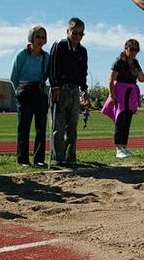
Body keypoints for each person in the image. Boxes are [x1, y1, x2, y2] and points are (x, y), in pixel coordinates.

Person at [48, 17, 90, 166]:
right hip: (60, 89)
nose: (77, 37)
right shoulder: (59, 45)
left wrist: (84, 90)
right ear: (68, 31)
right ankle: (58, 157)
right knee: (58, 125)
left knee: (72, 125)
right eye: (75, 33)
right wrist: (55, 86)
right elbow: (52, 67)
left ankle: (70, 156)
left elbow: (83, 72)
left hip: (75, 89)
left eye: (81, 34)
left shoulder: (83, 51)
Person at [10, 25, 49, 167]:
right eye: (37, 36)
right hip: (24, 94)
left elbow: (49, 77)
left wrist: (46, 90)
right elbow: (13, 77)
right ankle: (23, 159)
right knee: (23, 128)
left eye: (43, 37)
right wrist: (17, 93)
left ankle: (39, 159)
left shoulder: (46, 57)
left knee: (41, 128)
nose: (40, 40)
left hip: (40, 94)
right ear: (31, 37)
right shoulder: (21, 55)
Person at [102, 39, 144, 158]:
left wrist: (137, 73)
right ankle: (118, 149)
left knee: (127, 120)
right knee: (120, 120)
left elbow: (142, 79)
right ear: (125, 48)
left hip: (131, 93)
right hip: (120, 92)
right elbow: (111, 80)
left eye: (136, 50)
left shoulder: (135, 63)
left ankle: (124, 147)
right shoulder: (118, 62)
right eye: (131, 49)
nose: (134, 52)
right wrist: (112, 95)